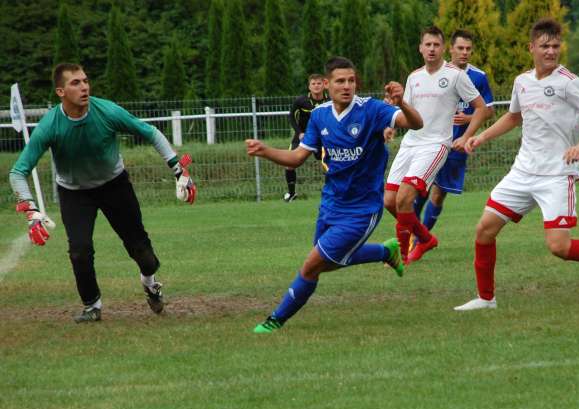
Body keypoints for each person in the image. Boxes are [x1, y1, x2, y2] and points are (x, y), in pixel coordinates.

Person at [453, 18, 579, 312]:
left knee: (559, 247)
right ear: (531, 48)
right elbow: (513, 117)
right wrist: (480, 137)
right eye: (544, 46)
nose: (551, 51)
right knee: (484, 229)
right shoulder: (522, 82)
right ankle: (486, 298)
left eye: (555, 46)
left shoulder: (568, 82)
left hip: (557, 175)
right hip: (523, 172)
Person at [244, 57, 423, 333]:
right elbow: (296, 158)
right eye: (340, 81)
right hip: (331, 204)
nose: (347, 86)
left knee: (311, 264)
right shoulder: (319, 116)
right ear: (326, 85)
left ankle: (275, 319)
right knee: (322, 264)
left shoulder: (372, 110)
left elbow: (416, 123)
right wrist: (265, 150)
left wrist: (402, 104)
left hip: (363, 209)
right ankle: (385, 251)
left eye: (351, 80)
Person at [8, 63, 197, 323]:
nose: (84, 86)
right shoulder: (50, 124)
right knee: (79, 251)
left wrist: (179, 170)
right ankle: (92, 306)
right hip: (74, 193)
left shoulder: (107, 110)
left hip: (114, 185)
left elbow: (150, 132)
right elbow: (18, 171)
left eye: (85, 80)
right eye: (76, 83)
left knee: (143, 253)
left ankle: (151, 283)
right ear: (60, 91)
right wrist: (30, 210)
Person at [384, 26, 487, 265]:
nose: (431, 49)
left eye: (436, 45)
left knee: (404, 199)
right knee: (389, 201)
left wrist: (465, 136)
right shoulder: (414, 77)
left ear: (443, 48)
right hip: (410, 143)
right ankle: (426, 239)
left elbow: (482, 108)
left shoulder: (455, 75)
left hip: (436, 145)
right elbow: (407, 111)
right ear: (420, 48)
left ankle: (403, 257)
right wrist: (391, 127)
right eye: (427, 44)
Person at [410, 29, 494, 260]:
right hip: (430, 142)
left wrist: (468, 129)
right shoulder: (433, 73)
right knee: (419, 191)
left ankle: (419, 243)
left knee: (438, 195)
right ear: (451, 49)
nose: (464, 53)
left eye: (468, 49)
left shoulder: (478, 77)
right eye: (460, 48)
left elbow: (488, 110)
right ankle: (409, 240)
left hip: (456, 144)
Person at [284, 74, 328, 202]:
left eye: (319, 83)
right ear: (309, 86)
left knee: (329, 164)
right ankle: (291, 193)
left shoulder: (330, 100)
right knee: (289, 163)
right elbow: (291, 116)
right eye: (313, 84)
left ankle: (331, 193)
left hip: (323, 136)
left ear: (324, 85)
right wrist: (299, 133)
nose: (316, 86)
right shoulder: (301, 101)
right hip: (304, 135)